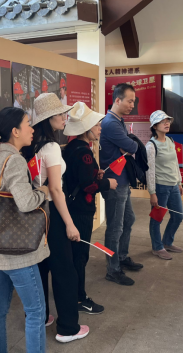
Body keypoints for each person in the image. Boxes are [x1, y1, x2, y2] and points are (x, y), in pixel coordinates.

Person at [0, 107, 50, 353]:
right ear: (15, 131)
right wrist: (43, 192)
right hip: (17, 251)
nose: (32, 129)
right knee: (36, 310)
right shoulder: (15, 161)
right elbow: (26, 203)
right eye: (28, 123)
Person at [22, 93, 90, 343]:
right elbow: (55, 189)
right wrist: (70, 224)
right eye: (60, 114)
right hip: (53, 214)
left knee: (40, 266)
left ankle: (40, 317)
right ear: (48, 119)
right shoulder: (50, 147)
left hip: (35, 213)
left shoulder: (31, 144)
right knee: (65, 271)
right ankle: (68, 328)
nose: (65, 117)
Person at [63, 102, 117, 315]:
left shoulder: (72, 148)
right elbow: (87, 185)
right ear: (86, 129)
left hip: (71, 208)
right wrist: (107, 183)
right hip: (80, 211)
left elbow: (79, 177)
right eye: (96, 125)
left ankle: (72, 294)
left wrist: (96, 174)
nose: (100, 128)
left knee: (73, 255)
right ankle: (79, 299)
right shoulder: (84, 153)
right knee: (80, 256)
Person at [100, 83, 142, 286]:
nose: (132, 105)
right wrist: (129, 144)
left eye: (134, 101)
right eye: (129, 101)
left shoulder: (118, 121)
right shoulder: (111, 123)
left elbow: (131, 145)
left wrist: (128, 144)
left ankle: (122, 257)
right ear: (117, 100)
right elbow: (133, 145)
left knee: (128, 219)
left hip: (122, 180)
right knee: (114, 228)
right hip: (114, 183)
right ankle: (113, 269)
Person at [146, 110, 183, 260]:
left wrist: (179, 182)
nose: (167, 123)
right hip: (160, 187)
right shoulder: (151, 146)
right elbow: (150, 171)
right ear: (154, 126)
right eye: (163, 121)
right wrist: (152, 192)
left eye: (167, 121)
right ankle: (157, 247)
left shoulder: (170, 141)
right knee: (157, 218)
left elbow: (175, 163)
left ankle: (167, 242)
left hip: (174, 185)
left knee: (178, 216)